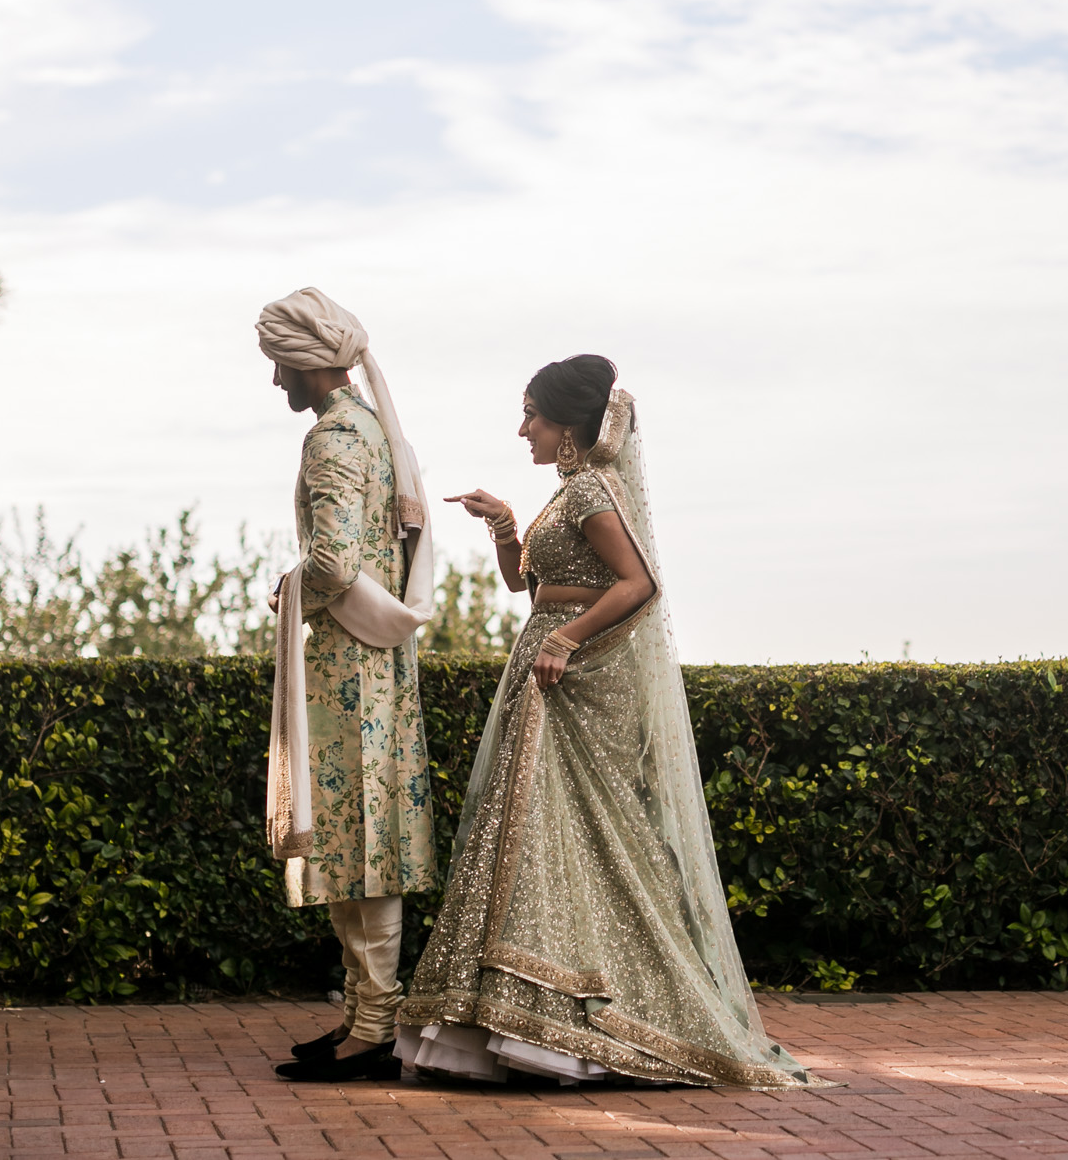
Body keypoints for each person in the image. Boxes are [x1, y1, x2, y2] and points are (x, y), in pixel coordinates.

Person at [395, 355, 816, 1088]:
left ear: (565, 423)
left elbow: (639, 582)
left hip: (574, 682)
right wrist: (504, 528)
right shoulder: (567, 490)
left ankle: (570, 1026)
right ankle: (503, 1024)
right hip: (546, 675)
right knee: (531, 837)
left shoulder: (590, 486)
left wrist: (563, 639)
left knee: (560, 838)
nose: (521, 427)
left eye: (531, 413)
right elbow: (537, 586)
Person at [255, 287, 438, 1083]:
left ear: (307, 363)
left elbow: (333, 562)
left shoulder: (332, 438)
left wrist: (289, 585)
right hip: (379, 661)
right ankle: (367, 1015)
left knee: (355, 836)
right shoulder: (376, 430)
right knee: (370, 833)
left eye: (279, 367)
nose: (275, 384)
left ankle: (375, 1026)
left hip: (344, 666)